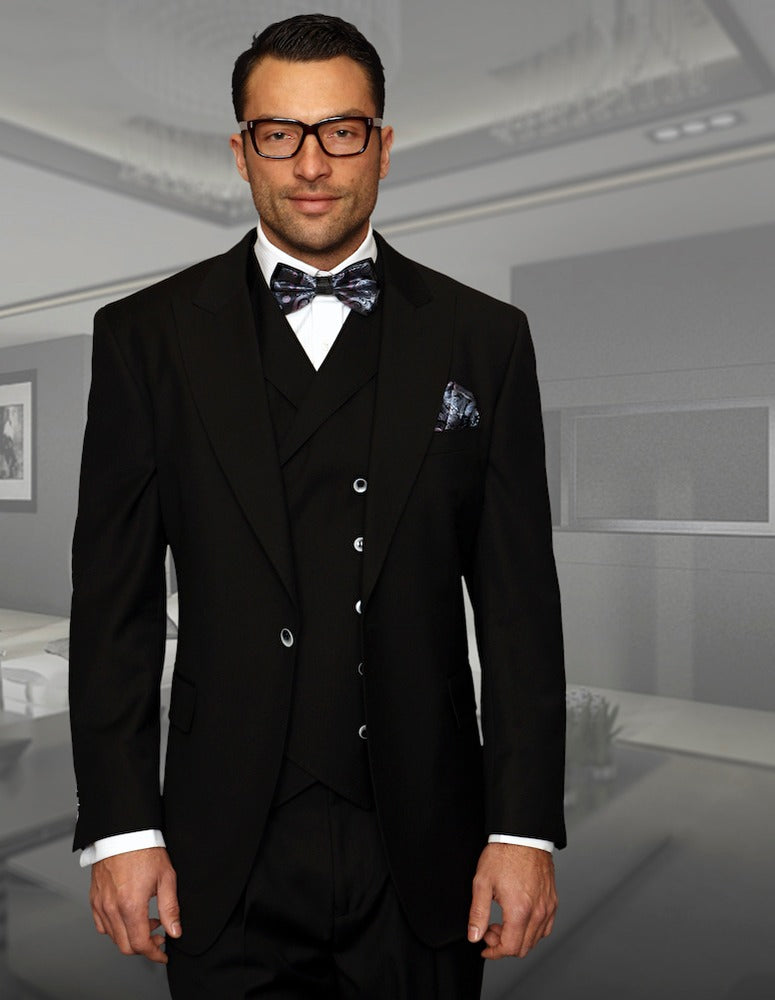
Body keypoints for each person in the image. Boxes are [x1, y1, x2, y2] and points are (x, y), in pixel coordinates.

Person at [69, 13, 566, 999]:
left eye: (339, 131)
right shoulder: (144, 339)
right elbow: (114, 607)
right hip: (219, 845)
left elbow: (516, 608)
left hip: (426, 842)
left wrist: (520, 826)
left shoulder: (484, 339)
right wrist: (123, 827)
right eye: (278, 133)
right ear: (241, 150)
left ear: (381, 144)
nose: (310, 164)